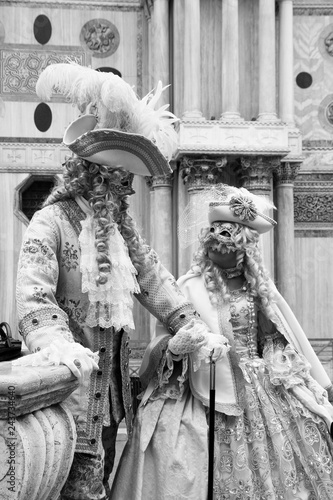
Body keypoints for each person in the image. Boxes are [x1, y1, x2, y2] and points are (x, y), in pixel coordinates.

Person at [14, 63, 226, 500]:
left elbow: (155, 279)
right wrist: (59, 343)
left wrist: (192, 327)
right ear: (90, 176)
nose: (124, 191)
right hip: (64, 390)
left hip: (110, 397)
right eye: (116, 180)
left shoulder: (124, 234)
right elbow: (33, 292)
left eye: (126, 183)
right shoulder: (49, 222)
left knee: (100, 477)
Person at [110, 184, 333, 500]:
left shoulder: (260, 290)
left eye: (229, 236)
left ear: (245, 247)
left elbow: (274, 337)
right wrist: (179, 347)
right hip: (201, 387)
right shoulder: (188, 287)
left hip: (259, 387)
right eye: (215, 234)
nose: (221, 242)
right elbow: (163, 339)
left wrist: (283, 369)